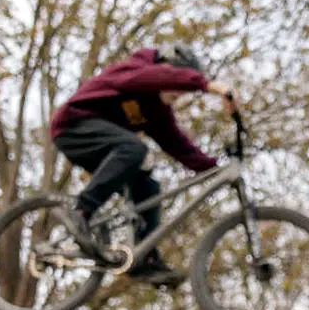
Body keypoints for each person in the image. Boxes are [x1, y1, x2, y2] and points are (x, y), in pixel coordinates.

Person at [48, 42, 239, 287]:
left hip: (104, 149)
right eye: (177, 85)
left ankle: (143, 260)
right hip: (73, 127)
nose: (179, 93)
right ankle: (80, 210)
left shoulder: (156, 112)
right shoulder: (134, 70)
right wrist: (209, 85)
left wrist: (218, 168)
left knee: (148, 188)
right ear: (167, 69)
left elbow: (181, 148)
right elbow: (153, 77)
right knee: (134, 148)